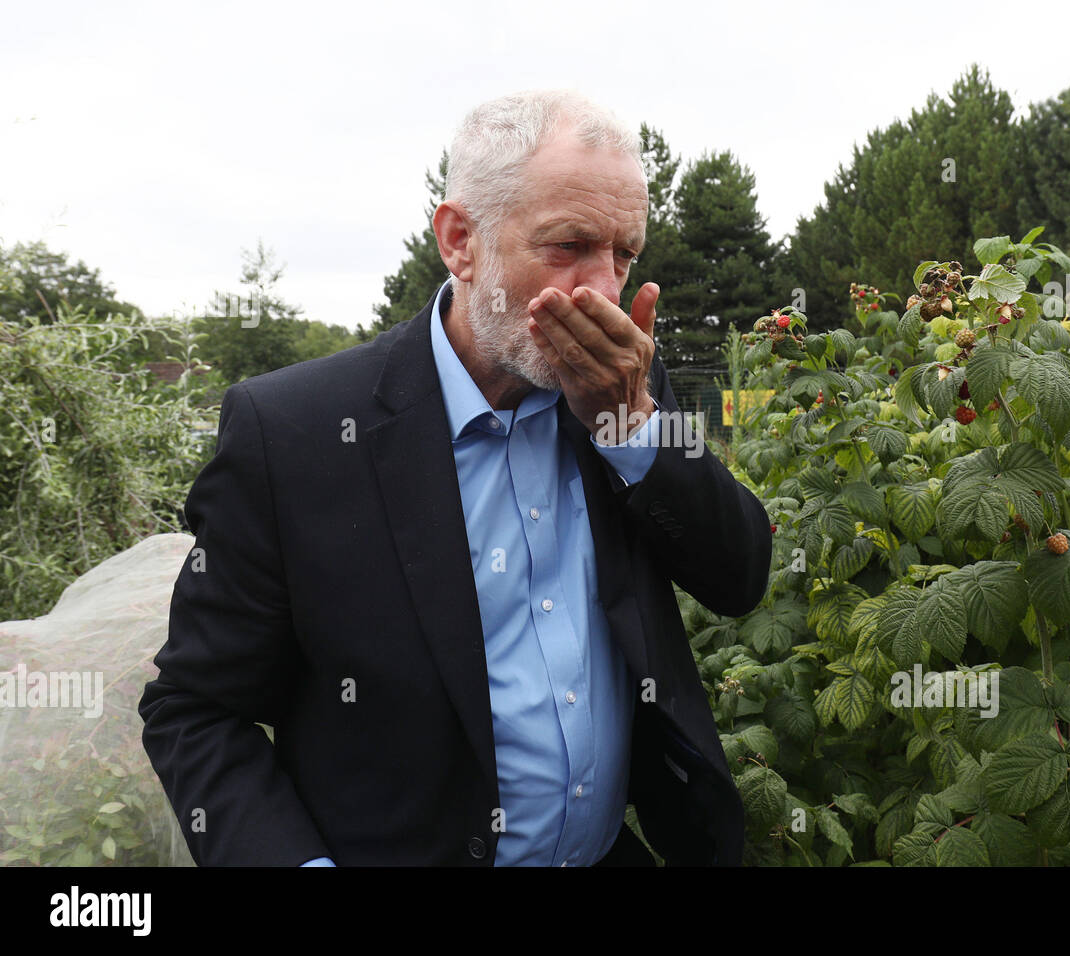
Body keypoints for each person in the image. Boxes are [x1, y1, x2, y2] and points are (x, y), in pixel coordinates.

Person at [138, 89, 772, 866]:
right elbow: (195, 710)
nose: (605, 293)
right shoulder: (295, 434)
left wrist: (630, 426)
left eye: (625, 255)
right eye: (568, 245)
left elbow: (739, 574)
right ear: (459, 241)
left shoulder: (622, 382)